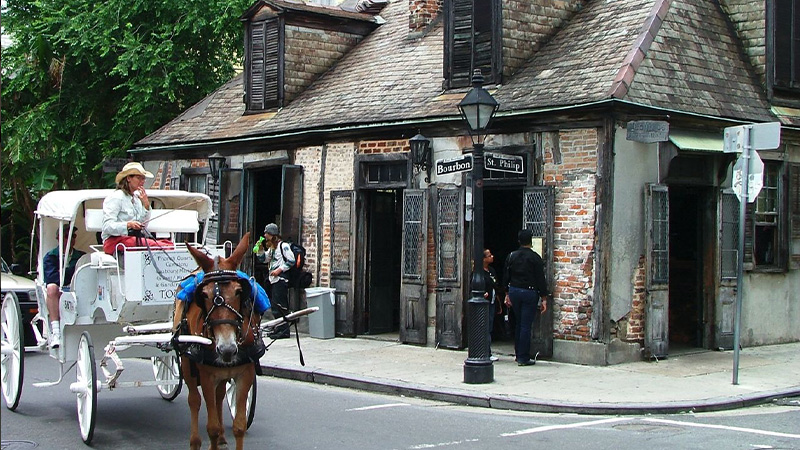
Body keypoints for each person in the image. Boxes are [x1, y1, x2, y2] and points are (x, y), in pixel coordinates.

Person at [101, 162, 173, 255]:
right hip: (114, 241)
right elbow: (107, 227)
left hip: (132, 240)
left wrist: (146, 206)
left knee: (168, 244)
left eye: (143, 178)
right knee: (162, 247)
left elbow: (143, 225)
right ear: (128, 178)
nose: (142, 181)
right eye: (139, 178)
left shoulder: (137, 198)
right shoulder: (116, 197)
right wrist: (128, 225)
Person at [503, 229, 549, 366]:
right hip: (529, 292)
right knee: (525, 325)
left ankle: (518, 354)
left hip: (514, 291)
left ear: (519, 241)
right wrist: (544, 297)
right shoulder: (535, 258)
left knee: (518, 323)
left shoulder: (511, 256)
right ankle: (523, 357)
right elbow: (540, 279)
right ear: (531, 241)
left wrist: (506, 293)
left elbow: (506, 276)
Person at [43, 225, 86, 348]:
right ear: (59, 238)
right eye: (67, 236)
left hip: (77, 289)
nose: (70, 239)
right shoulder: (50, 256)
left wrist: (66, 273)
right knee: (51, 288)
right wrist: (70, 272)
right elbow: (52, 278)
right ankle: (56, 331)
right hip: (59, 291)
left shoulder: (81, 256)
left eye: (73, 236)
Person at [254, 223, 295, 339]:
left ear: (273, 235)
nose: (265, 235)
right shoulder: (272, 249)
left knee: (280, 306)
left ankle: (284, 330)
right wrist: (260, 251)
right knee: (275, 306)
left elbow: (291, 260)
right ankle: (278, 328)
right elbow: (264, 259)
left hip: (280, 279)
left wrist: (279, 270)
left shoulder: (284, 246)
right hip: (273, 280)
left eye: (267, 233)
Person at [483, 248, 501, 361]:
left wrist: (499, 302)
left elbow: (496, 287)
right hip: (484, 303)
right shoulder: (478, 273)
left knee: (489, 327)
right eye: (489, 255)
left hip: (492, 301)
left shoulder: (492, 271)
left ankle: (487, 352)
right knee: (485, 328)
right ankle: (485, 352)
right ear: (484, 259)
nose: (492, 256)